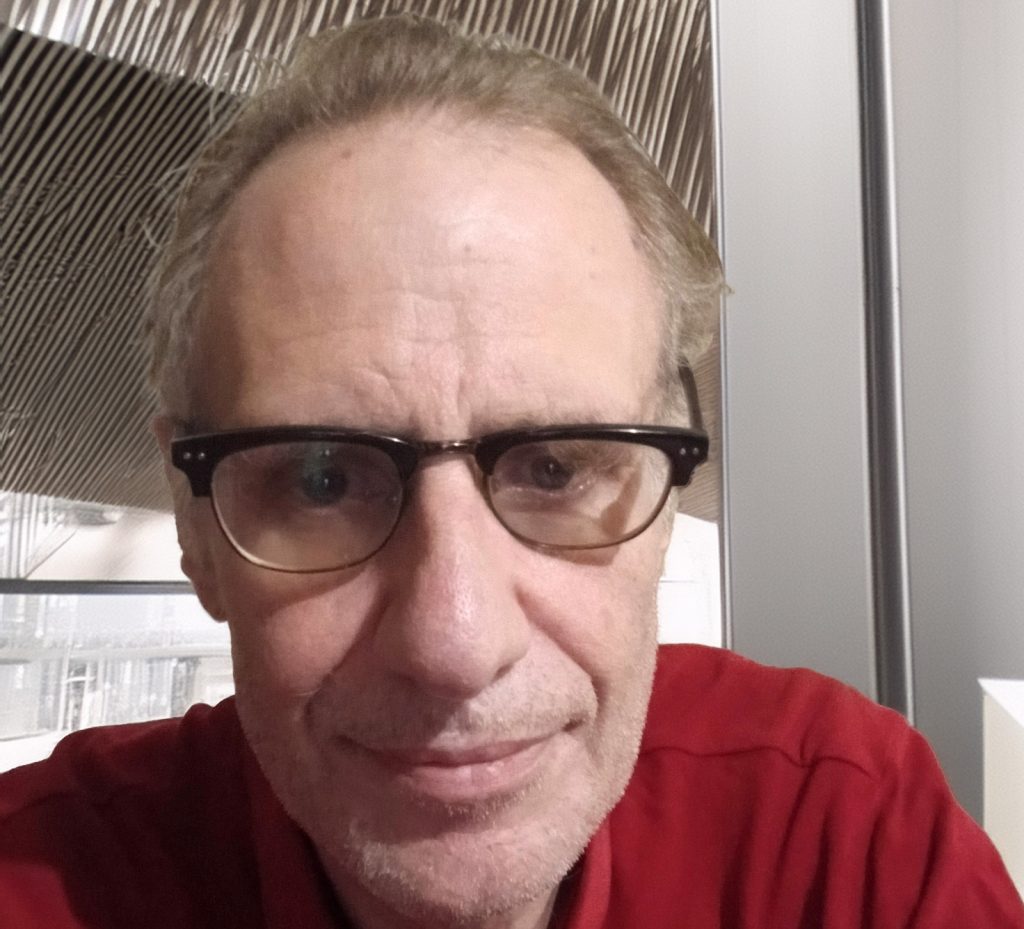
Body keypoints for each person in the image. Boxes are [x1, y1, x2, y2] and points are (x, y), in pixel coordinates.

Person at [1, 14, 1021, 929]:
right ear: (194, 528)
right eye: (322, 480)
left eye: (556, 467)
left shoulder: (838, 837)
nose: (455, 642)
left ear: (665, 503)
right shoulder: (40, 878)